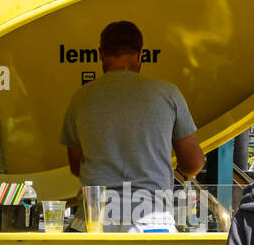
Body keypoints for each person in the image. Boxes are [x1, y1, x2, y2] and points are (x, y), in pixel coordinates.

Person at [59, 20, 204, 232]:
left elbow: (76, 166)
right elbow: (193, 163)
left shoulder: (81, 98)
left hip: (93, 221)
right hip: (152, 221)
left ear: (100, 53)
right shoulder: (168, 94)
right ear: (140, 53)